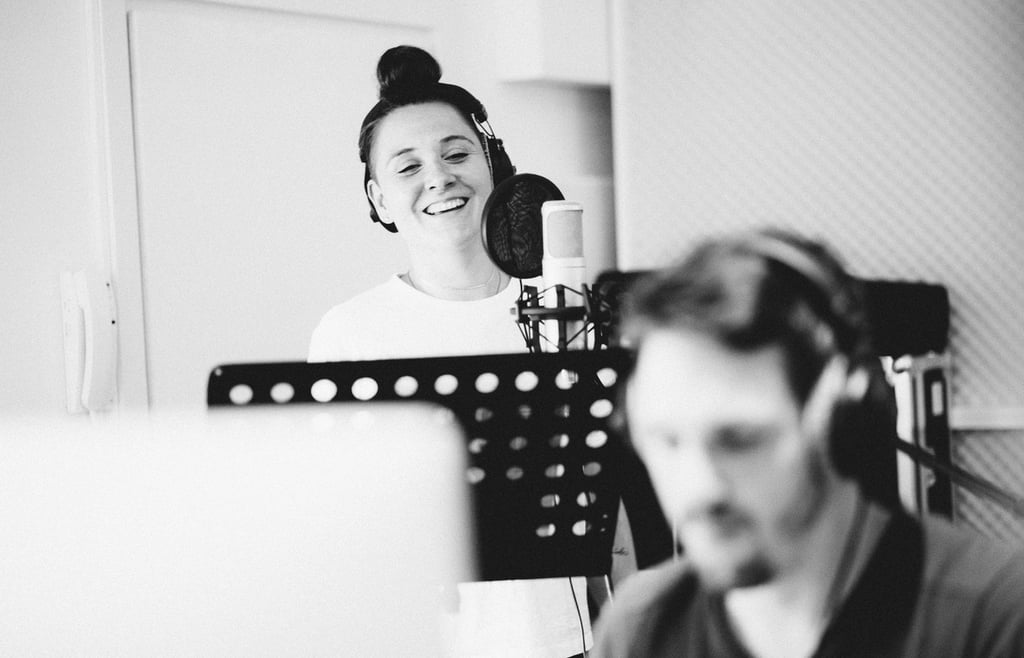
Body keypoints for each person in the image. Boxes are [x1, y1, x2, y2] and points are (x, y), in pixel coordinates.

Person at [592, 228, 1024, 657]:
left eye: (740, 440)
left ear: (838, 422)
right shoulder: (640, 629)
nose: (700, 487)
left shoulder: (997, 618)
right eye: (666, 440)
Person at [309, 46, 593, 657]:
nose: (438, 177)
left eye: (456, 153)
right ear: (380, 200)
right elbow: (339, 527)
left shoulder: (565, 311)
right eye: (406, 167)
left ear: (495, 168)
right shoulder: (350, 335)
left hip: (564, 642)